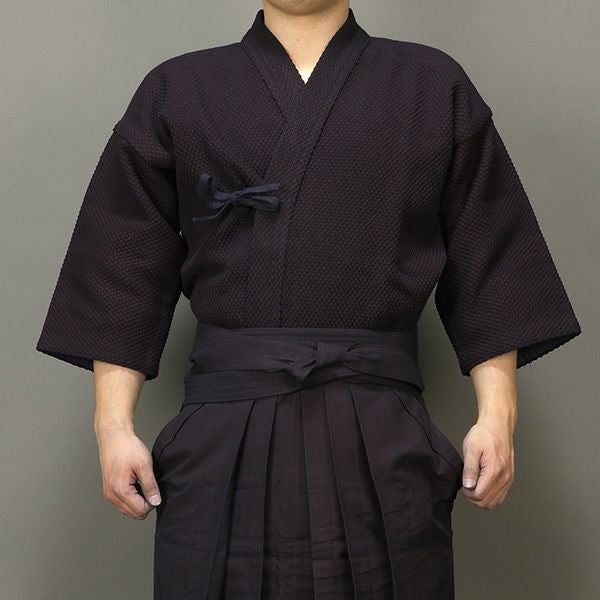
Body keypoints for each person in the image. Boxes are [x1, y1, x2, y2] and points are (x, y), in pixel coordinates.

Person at [35, 1, 582, 598]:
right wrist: (112, 427)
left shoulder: (431, 84)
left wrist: (498, 420)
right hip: (221, 438)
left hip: (384, 435)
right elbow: (120, 266)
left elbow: (493, 260)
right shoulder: (177, 89)